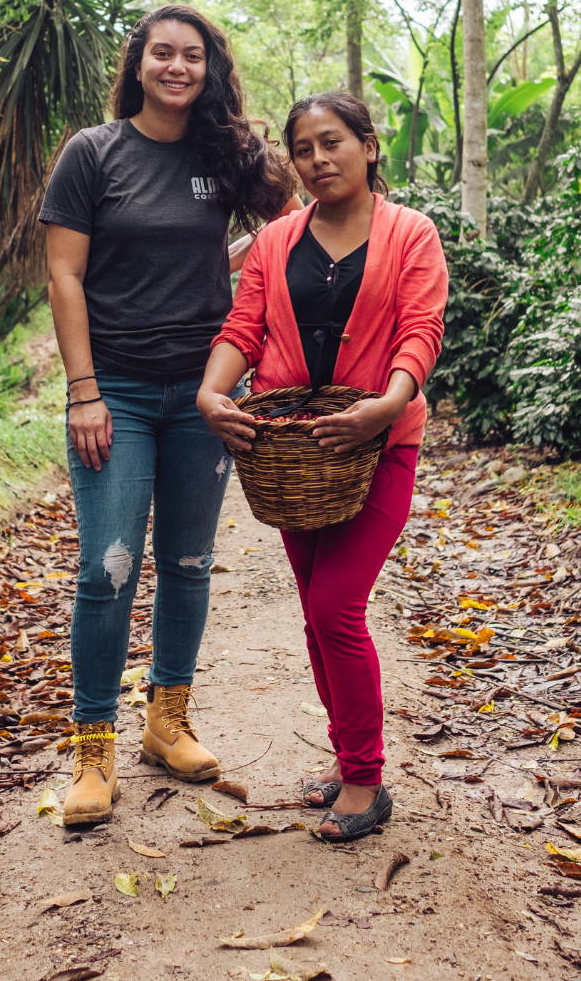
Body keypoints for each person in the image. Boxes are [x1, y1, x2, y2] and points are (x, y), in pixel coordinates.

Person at [40, 4, 298, 826]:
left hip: (200, 395)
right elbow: (64, 276)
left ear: (208, 68)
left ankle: (167, 720)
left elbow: (288, 229)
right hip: (112, 388)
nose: (177, 67)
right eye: (163, 54)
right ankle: (92, 749)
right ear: (139, 63)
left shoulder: (221, 158)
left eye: (192, 56)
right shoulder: (93, 152)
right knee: (106, 568)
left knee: (186, 564)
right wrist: (83, 391)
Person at [196, 91, 448, 843]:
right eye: (303, 148)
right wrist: (212, 390)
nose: (317, 160)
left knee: (336, 607)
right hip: (295, 453)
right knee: (315, 613)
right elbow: (245, 325)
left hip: (378, 445)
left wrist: (389, 403)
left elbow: (420, 328)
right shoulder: (277, 240)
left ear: (369, 147)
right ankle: (348, 761)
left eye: (332, 142)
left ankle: (367, 782)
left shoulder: (412, 234)